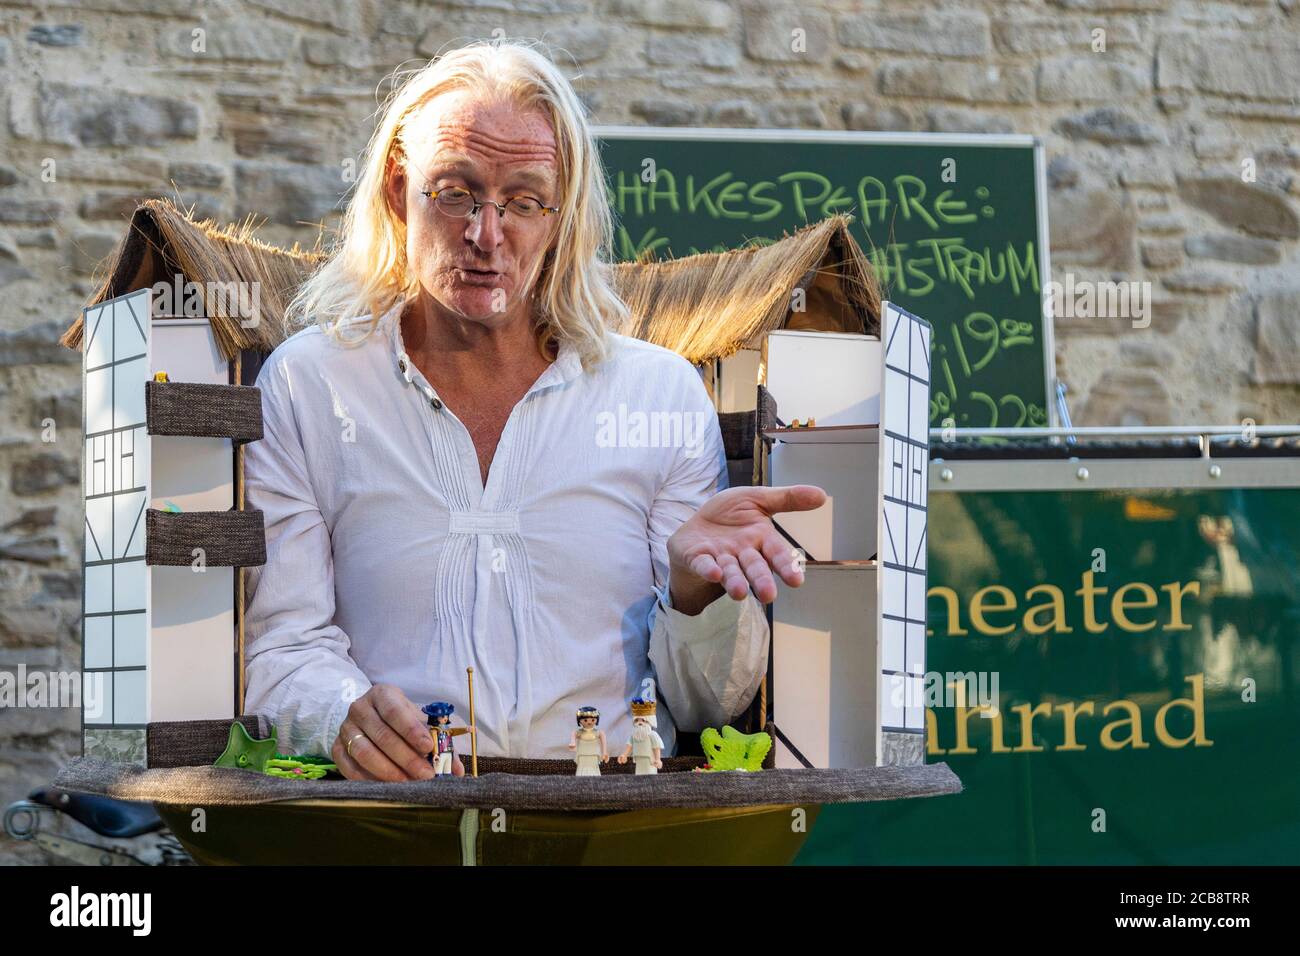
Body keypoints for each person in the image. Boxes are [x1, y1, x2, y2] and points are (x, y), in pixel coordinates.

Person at [242, 39, 824, 781]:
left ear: (561, 214)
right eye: (455, 193)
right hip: (397, 821)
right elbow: (285, 648)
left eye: (523, 201)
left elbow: (709, 703)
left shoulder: (657, 395)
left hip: (613, 823)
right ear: (397, 189)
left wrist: (694, 590)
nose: (488, 235)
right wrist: (342, 718)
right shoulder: (310, 387)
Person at [567, 706, 607, 776]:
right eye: (585, 720)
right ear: (579, 720)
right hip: (582, 753)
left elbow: (604, 742)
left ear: (596, 719)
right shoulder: (579, 732)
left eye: (592, 720)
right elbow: (573, 734)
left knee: (594, 766)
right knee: (582, 766)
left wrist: (604, 753)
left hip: (594, 753)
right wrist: (572, 742)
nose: (589, 722)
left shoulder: (598, 732)